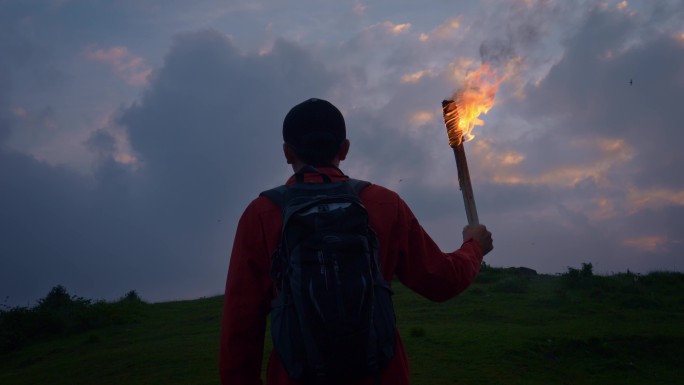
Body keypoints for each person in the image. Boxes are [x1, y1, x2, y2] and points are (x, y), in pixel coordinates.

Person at [219, 98, 493, 385]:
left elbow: (240, 329)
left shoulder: (261, 214)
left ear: (287, 153)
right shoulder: (384, 204)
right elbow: (441, 280)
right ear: (345, 149)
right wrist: (474, 247)